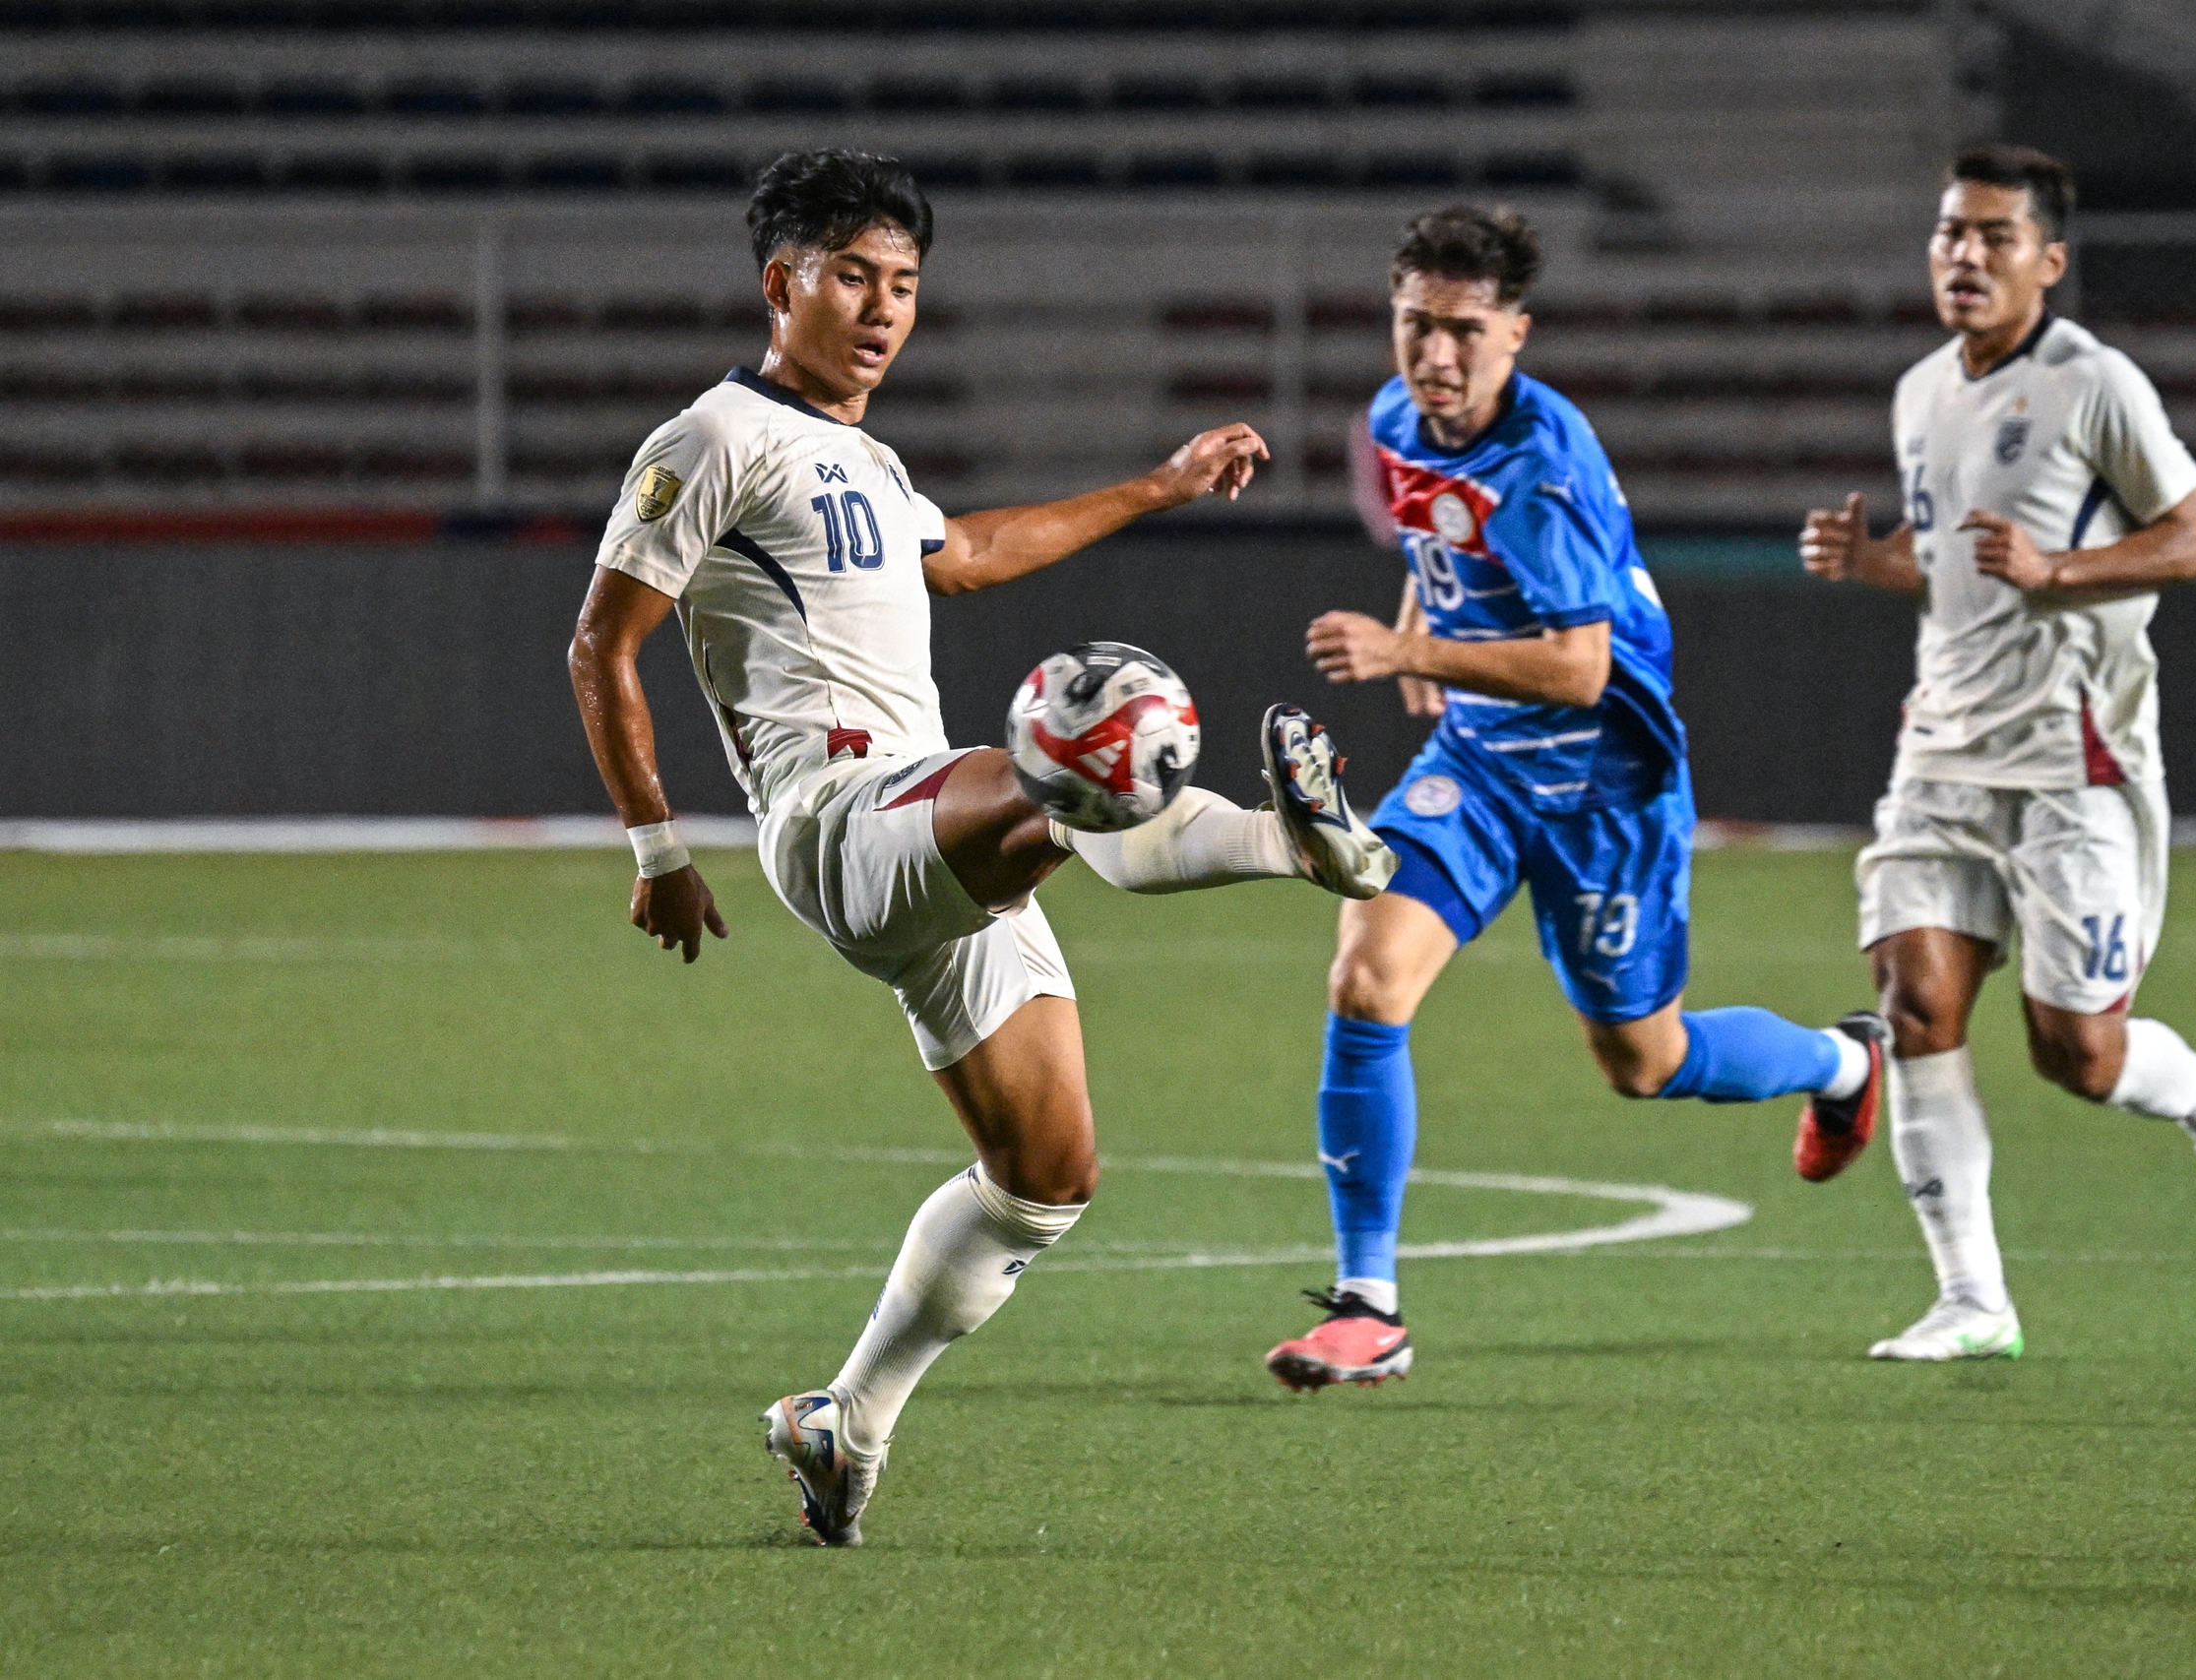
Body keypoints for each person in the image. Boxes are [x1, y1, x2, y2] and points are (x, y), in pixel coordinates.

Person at [567, 150, 1395, 1543]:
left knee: (1047, 1175)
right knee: (1078, 736)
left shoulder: (872, 461)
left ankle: (848, 1412)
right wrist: (655, 846)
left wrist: (1163, 483)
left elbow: (972, 552)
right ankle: (1286, 843)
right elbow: (601, 642)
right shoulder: (710, 439)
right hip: (843, 817)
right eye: (852, 279)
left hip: (937, 829)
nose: (883, 309)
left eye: (902, 283)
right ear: (785, 285)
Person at [1264, 206, 1890, 1392]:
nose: (1433, 357)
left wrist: (1412, 660)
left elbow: (1579, 668)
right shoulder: (1398, 418)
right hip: (1486, 766)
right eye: (1413, 326)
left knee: (1643, 1061)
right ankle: (1366, 1303)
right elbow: (1422, 530)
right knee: (1365, 976)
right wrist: (1418, 617)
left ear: (1515, 334)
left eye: (1462, 332)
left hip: (1605, 779)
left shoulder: (1543, 472)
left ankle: (1842, 1064)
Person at [1798, 145, 2196, 1363]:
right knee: (1914, 1009)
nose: (1963, 256)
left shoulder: (2094, 384)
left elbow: (2195, 540)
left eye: (1993, 237)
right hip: (1939, 756)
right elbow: (1956, 555)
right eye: (1949, 234)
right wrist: (1876, 564)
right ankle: (1973, 1298)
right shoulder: (1920, 390)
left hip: (2071, 761)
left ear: (2049, 263)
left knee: (2077, 1053)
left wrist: (2062, 571)